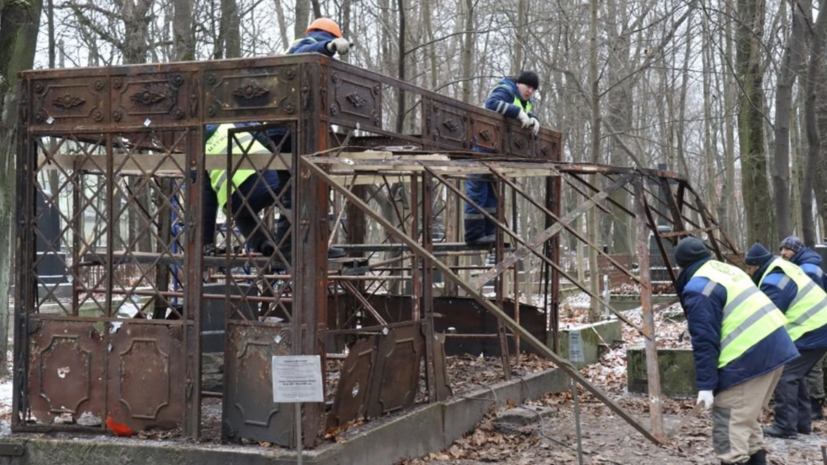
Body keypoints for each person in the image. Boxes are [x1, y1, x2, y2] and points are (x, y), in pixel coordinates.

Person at [203, 18, 350, 263]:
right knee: (303, 187)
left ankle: (272, 244)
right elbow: (303, 51)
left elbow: (205, 198)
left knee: (262, 205)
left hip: (234, 195)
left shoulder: (209, 140)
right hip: (287, 137)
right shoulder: (309, 43)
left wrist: (206, 242)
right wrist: (329, 47)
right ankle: (293, 244)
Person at [674, 237, 797, 465]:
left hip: (748, 357)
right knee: (747, 425)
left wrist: (706, 386)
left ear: (681, 265)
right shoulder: (728, 271)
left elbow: (704, 341)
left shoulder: (699, 287)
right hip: (775, 348)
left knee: (729, 428)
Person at [743, 243, 827, 439]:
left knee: (785, 374)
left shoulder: (774, 282)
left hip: (814, 330)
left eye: (749, 268)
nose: (748, 272)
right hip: (818, 327)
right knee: (795, 374)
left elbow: (768, 318)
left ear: (757, 265)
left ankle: (785, 426)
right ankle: (801, 424)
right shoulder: (781, 269)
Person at [464, 71, 541, 245]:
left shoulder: (526, 102)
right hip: (481, 147)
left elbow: (528, 113)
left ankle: (489, 233)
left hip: (496, 152)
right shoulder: (506, 90)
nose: (530, 91)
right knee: (477, 192)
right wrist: (518, 113)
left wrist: (533, 118)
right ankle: (474, 235)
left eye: (534, 89)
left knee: (492, 193)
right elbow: (491, 104)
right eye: (528, 86)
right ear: (519, 84)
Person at [778, 236, 827, 420]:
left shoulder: (806, 270)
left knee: (812, 369)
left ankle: (815, 405)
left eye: (788, 249)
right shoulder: (805, 266)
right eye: (782, 249)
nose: (783, 253)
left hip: (815, 326)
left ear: (798, 251)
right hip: (813, 325)